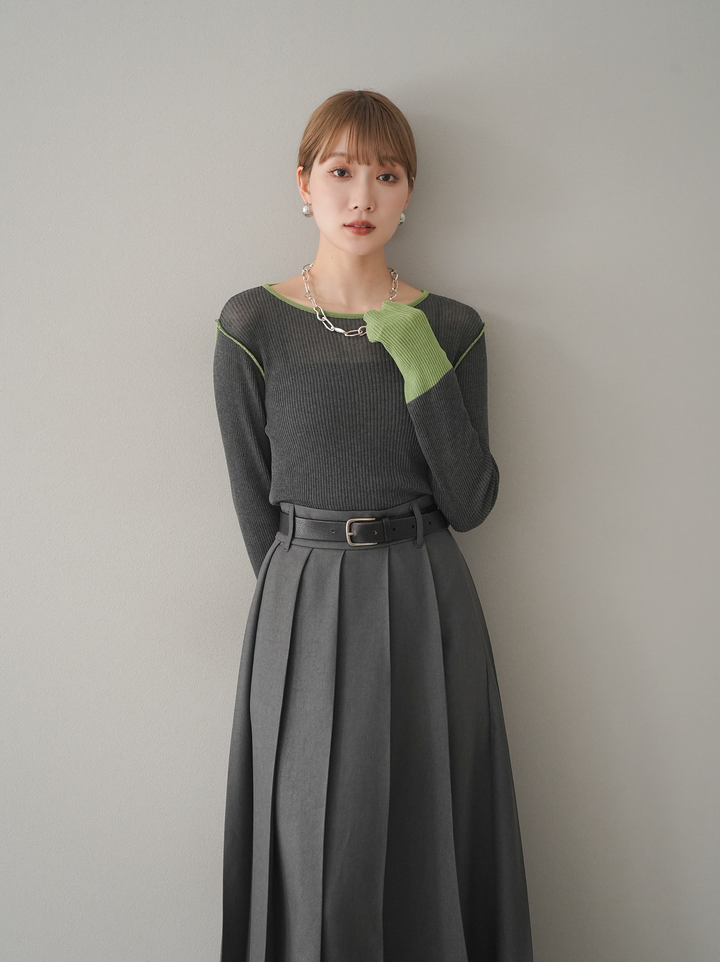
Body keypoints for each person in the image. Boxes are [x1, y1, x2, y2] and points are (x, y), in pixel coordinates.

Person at [213, 89, 533, 962]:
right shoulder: (251, 324)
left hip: (429, 594)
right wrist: (303, 603)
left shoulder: (453, 327)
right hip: (303, 601)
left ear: (409, 192)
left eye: (386, 176)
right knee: (316, 850)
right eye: (341, 172)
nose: (362, 197)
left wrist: (418, 355)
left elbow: (471, 501)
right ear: (303, 184)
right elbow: (252, 500)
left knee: (435, 839)